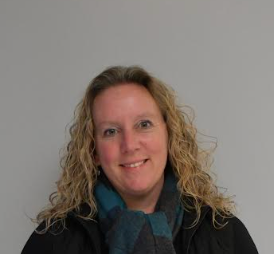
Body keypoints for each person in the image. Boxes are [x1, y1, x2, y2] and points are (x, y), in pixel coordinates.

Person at [22, 66, 258, 254]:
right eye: (110, 131)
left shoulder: (226, 236)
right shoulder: (51, 243)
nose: (129, 144)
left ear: (170, 135)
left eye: (143, 124)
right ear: (93, 150)